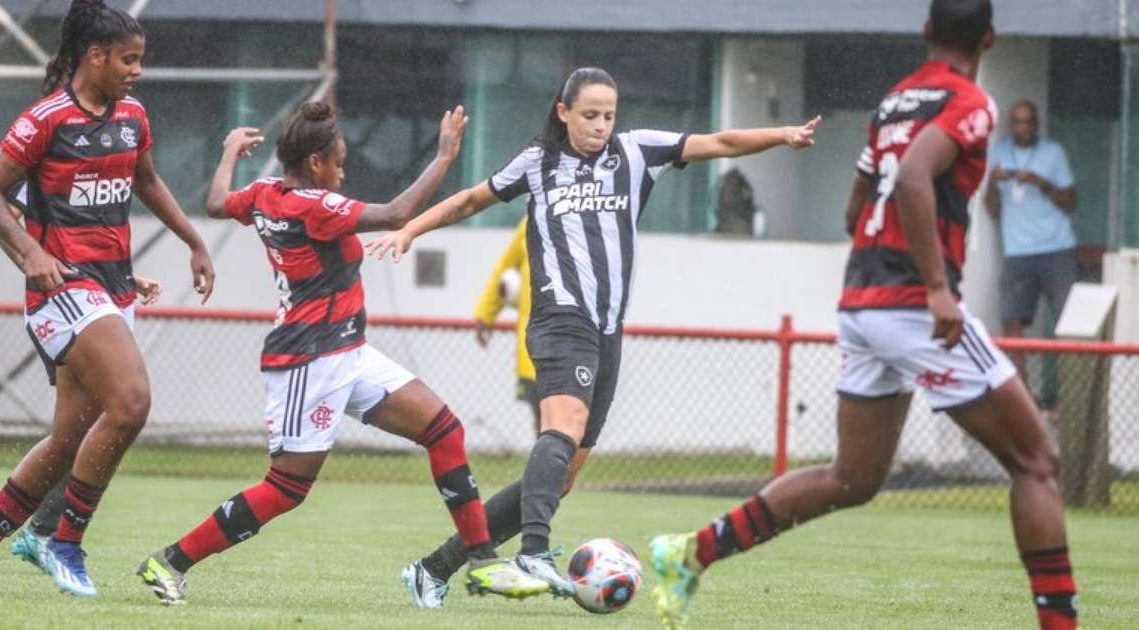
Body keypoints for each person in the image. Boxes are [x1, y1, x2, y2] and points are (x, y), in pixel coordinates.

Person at [649, 3, 1079, 630]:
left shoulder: (894, 104)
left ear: (927, 30)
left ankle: (691, 552)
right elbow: (911, 179)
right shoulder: (970, 103)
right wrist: (937, 286)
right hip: (912, 304)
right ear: (988, 37)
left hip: (863, 302)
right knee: (1037, 460)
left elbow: (857, 210)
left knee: (853, 477)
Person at [366, 66, 819, 606]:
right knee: (565, 424)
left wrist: (782, 134)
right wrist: (410, 228)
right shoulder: (538, 162)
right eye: (589, 115)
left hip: (608, 328)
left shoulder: (637, 152)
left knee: (561, 479)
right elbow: (469, 201)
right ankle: (534, 549)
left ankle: (433, 568)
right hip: (561, 317)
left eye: (609, 115)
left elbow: (718, 142)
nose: (601, 125)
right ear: (563, 112)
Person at [135, 101, 549, 606]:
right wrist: (444, 157)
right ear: (315, 163)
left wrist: (227, 154)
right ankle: (171, 560)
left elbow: (219, 204)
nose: (343, 170)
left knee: (444, 432)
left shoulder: (266, 194)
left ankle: (481, 561)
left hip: (347, 350)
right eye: (339, 160)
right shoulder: (315, 206)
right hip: (308, 362)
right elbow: (396, 214)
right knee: (286, 489)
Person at [0, 0, 215, 598]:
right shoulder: (45, 119)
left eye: (139, 60)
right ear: (94, 56)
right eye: (129, 59)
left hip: (111, 287)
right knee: (132, 401)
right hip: (62, 290)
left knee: (69, 440)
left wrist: (193, 240)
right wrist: (31, 255)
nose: (137, 71)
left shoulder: (132, 116)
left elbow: (145, 182)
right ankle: (63, 541)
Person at [0, 182, 165, 575]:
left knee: (85, 430)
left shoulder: (94, 159)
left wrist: (124, 278)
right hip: (64, 309)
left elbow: (83, 243)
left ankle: (28, 534)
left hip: (96, 300)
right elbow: (4, 221)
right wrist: (36, 266)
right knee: (98, 423)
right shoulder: (45, 160)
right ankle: (38, 535)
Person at [985, 99, 1077, 398]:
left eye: (1028, 121)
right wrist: (991, 182)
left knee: (1067, 323)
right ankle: (1022, 399)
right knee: (1011, 321)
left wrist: (1042, 183)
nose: (1022, 127)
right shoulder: (999, 152)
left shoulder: (1053, 152)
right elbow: (992, 210)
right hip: (1018, 251)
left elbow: (1071, 202)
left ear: (1036, 124)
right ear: (1011, 125)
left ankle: (1069, 401)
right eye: (1017, 121)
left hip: (1057, 249)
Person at [472, 216, 541, 432]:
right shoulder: (531, 223)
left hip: (575, 340)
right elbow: (505, 269)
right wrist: (486, 314)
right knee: (542, 413)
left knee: (568, 416)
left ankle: (558, 463)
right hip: (532, 347)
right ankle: (548, 464)